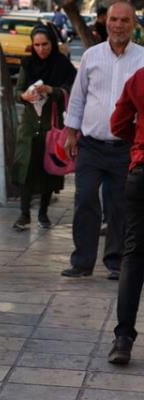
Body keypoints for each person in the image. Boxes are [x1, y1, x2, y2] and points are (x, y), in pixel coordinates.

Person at [62, 0, 144, 280]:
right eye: (114, 20)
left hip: (126, 148)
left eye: (124, 20)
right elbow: (78, 96)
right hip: (91, 145)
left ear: (133, 24)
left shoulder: (143, 59)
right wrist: (71, 133)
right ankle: (82, 261)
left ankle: (115, 261)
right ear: (105, 22)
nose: (118, 25)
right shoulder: (92, 56)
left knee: (121, 205)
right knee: (85, 200)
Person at [11, 25, 77, 231]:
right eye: (37, 45)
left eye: (45, 44)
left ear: (52, 43)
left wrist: (52, 90)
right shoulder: (28, 63)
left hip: (52, 124)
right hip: (29, 125)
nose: (41, 49)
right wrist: (24, 96)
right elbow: (17, 90)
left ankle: (43, 214)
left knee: (49, 168)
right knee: (25, 167)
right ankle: (23, 214)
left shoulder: (62, 65)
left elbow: (70, 91)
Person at [108, 66, 144, 364]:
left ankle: (123, 339)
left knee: (133, 255)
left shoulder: (140, 78)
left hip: (141, 173)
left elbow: (118, 123)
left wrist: (138, 140)